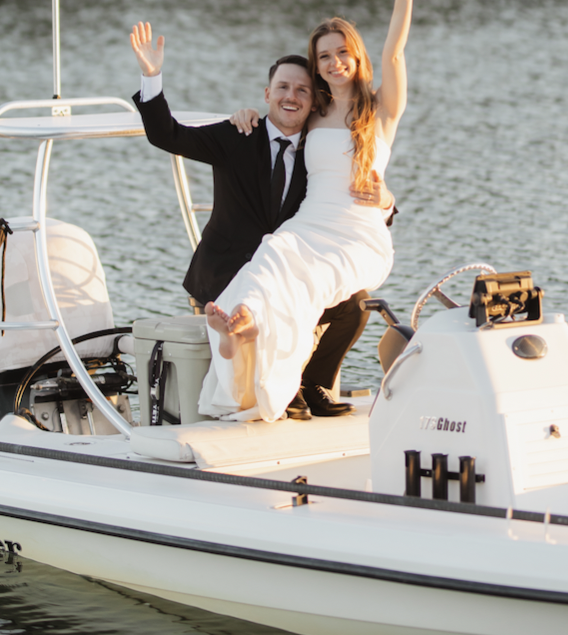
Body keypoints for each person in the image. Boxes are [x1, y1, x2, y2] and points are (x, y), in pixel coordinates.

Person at [201, 0, 425, 422]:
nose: (334, 62)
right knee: (272, 255)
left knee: (313, 282)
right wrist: (245, 115)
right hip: (308, 224)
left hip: (356, 235)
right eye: (324, 56)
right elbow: (275, 118)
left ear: (356, 56)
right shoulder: (313, 112)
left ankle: (293, 372)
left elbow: (396, 54)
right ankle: (241, 327)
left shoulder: (380, 110)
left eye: (342, 53)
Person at [129, 33, 395, 418]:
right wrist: (151, 75)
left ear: (315, 100)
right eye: (283, 87)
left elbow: (346, 204)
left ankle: (311, 385)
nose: (293, 95)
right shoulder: (237, 134)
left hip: (287, 269)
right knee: (270, 296)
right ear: (267, 93)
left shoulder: (318, 150)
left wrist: (387, 200)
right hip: (227, 272)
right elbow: (165, 134)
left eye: (303, 89)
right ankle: (270, 382)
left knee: (356, 302)